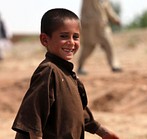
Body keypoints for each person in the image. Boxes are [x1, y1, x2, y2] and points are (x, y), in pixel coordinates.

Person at [11, 8, 120, 139]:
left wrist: (101, 131)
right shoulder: (48, 71)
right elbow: (34, 115)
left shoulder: (67, 74)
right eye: (64, 36)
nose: (71, 42)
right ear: (45, 40)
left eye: (75, 37)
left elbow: (78, 110)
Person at [77, 0, 122, 75]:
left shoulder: (105, 1)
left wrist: (116, 20)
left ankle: (114, 65)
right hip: (89, 27)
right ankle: (80, 66)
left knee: (109, 44)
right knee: (88, 47)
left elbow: (108, 10)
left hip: (102, 26)